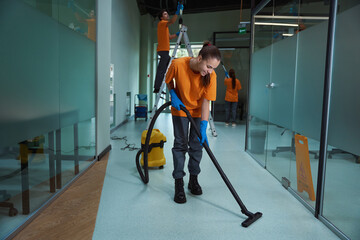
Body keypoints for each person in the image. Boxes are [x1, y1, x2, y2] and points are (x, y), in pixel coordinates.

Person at [165, 41, 221, 204]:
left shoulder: (211, 76)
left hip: (198, 112)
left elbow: (206, 102)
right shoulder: (178, 64)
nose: (210, 71)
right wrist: (173, 94)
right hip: (180, 108)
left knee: (196, 146)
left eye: (213, 68)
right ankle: (179, 183)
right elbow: (169, 80)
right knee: (180, 145)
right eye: (208, 66)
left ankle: (193, 179)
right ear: (200, 58)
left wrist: (203, 126)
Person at [153, 3, 184, 93]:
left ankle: (160, 86)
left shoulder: (164, 27)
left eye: (167, 13)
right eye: (165, 14)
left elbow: (170, 37)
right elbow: (172, 21)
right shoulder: (162, 23)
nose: (167, 15)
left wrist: (177, 34)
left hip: (164, 51)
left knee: (168, 68)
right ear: (162, 17)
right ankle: (157, 88)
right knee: (161, 70)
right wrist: (177, 12)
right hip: (163, 51)